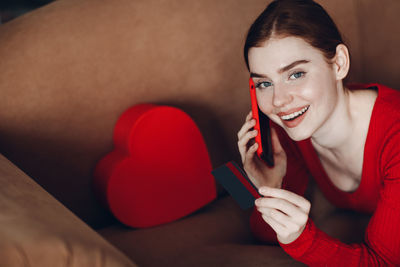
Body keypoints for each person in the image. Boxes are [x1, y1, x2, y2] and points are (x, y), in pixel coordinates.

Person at [237, 0, 400, 265]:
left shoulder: (395, 139)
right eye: (264, 83)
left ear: (339, 64)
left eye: (296, 74)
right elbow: (265, 234)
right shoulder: (292, 132)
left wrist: (303, 240)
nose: (278, 101)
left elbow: (382, 263)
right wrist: (269, 187)